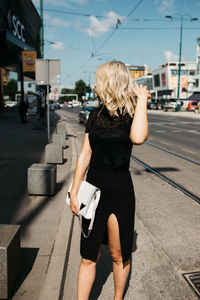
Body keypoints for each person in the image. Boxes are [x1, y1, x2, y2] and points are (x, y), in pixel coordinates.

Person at [69, 61, 149, 300]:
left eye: (98, 79)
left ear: (109, 81)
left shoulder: (132, 114)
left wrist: (142, 99)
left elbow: (138, 137)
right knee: (88, 255)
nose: (95, 84)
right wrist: (74, 191)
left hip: (120, 192)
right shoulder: (95, 115)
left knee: (118, 254)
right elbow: (85, 155)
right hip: (93, 191)